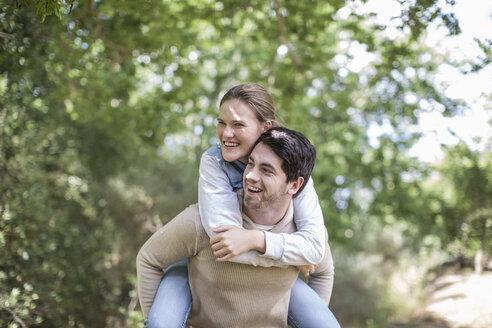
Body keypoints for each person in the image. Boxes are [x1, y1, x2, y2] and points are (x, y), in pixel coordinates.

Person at [141, 83, 331, 327]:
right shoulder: (214, 160)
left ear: (265, 128)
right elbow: (229, 242)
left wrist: (256, 240)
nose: (226, 134)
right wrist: (290, 257)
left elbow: (315, 249)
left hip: (273, 278)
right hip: (203, 263)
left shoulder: (293, 173)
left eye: (238, 124)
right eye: (221, 123)